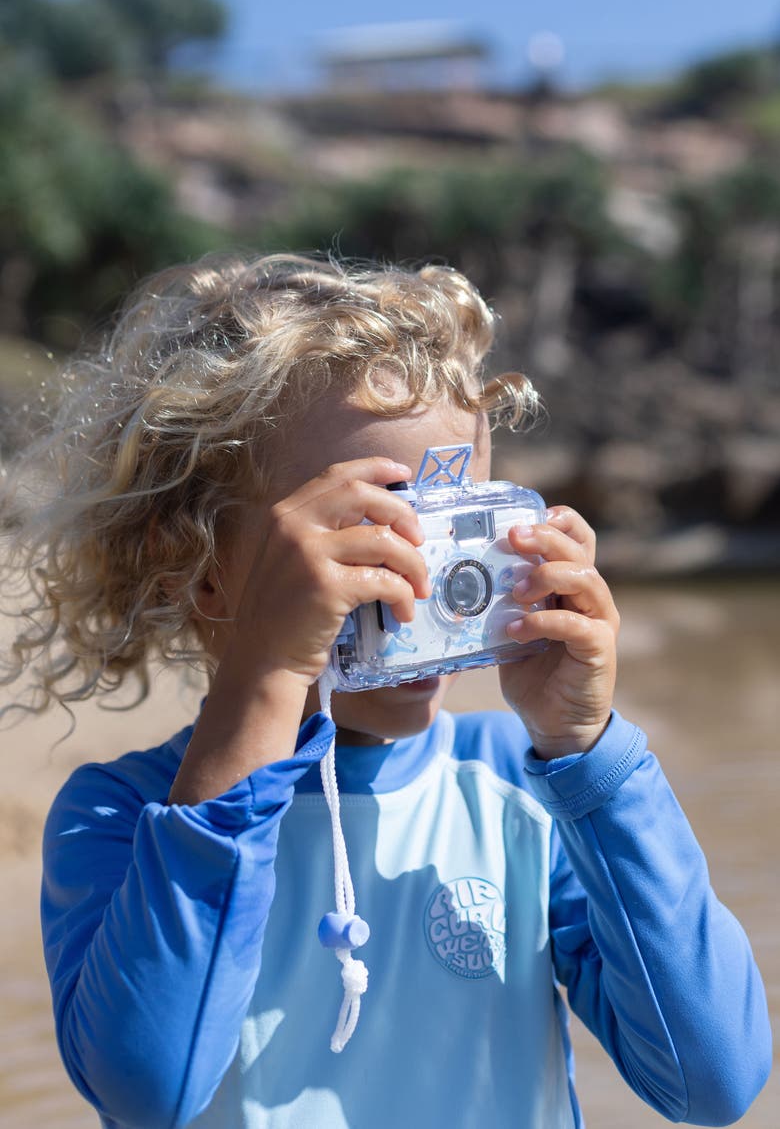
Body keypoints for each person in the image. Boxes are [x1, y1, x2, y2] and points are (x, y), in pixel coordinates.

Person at [1, 253, 771, 1129]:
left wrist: (589, 752)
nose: (419, 584)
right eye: (368, 533)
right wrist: (273, 676)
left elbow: (713, 1079)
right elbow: (151, 1089)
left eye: (456, 532)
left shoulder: (522, 790)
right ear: (204, 572)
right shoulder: (121, 818)